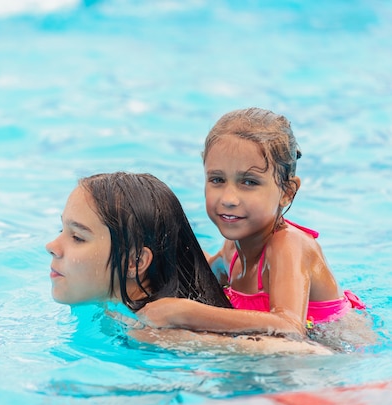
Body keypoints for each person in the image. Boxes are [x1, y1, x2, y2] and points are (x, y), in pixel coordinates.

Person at [137, 108, 372, 347]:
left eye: (249, 182)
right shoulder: (232, 248)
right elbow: (201, 276)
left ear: (287, 192)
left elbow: (290, 326)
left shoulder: (288, 245)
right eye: (217, 180)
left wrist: (185, 313)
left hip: (339, 349)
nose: (229, 198)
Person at [46, 171, 333, 355]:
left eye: (78, 237)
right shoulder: (116, 308)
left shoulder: (163, 334)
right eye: (62, 230)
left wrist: (181, 334)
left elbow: (310, 355)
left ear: (135, 261)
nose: (52, 246)